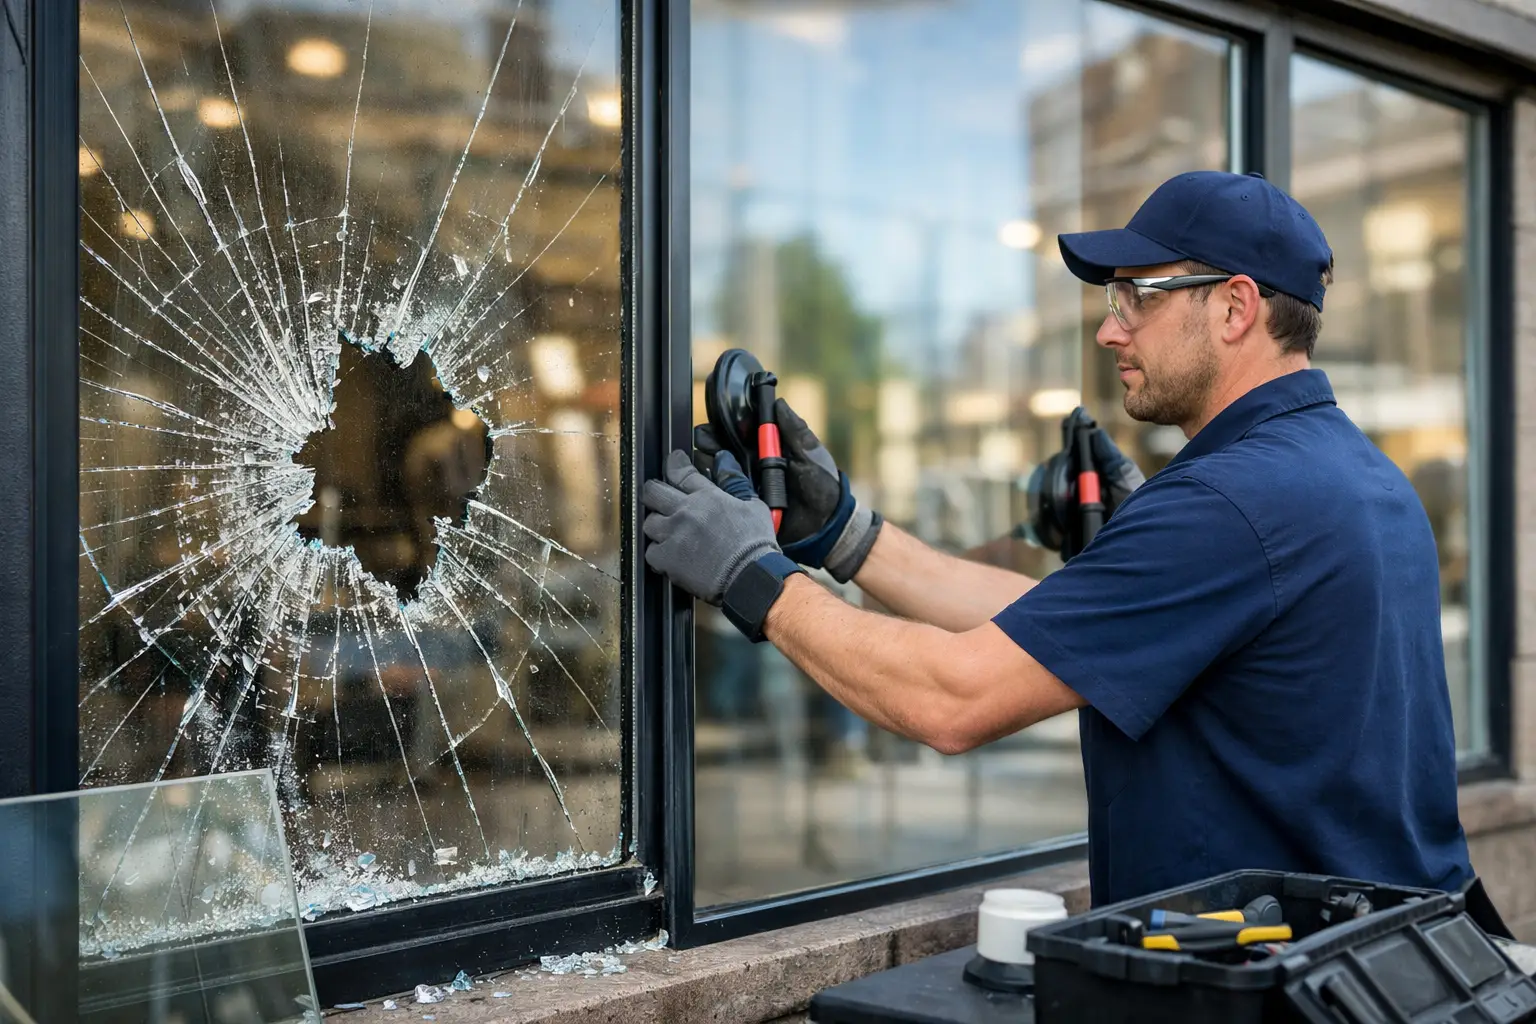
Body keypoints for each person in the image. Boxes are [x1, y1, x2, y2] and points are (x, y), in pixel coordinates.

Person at [641, 170, 1475, 907]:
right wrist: (843, 534)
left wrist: (753, 577)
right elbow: (1049, 630)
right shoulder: (1361, 476)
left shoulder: (1228, 502)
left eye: (1138, 297)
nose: (1110, 330)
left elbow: (953, 698)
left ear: (1234, 307)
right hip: (1390, 958)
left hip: (1275, 982)